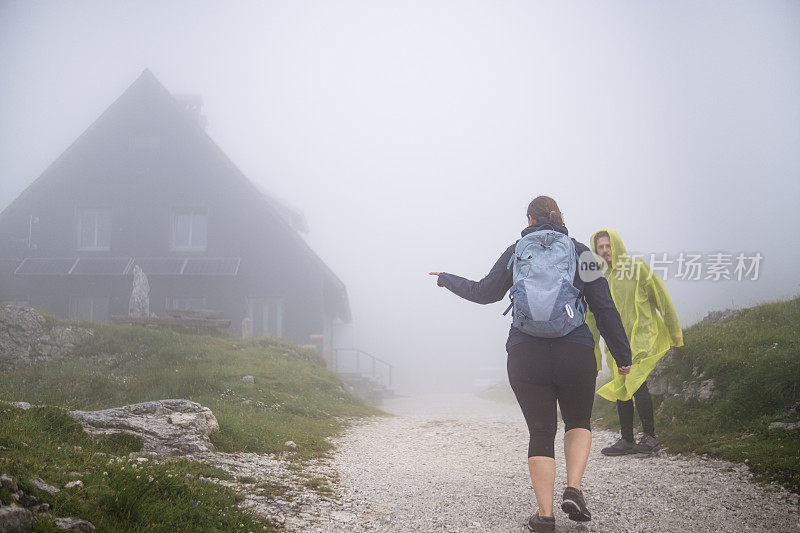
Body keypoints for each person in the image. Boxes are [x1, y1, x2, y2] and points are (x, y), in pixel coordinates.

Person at [430, 196, 632, 532]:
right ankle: (574, 489)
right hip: (575, 351)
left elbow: (485, 292)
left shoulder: (517, 250)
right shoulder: (582, 251)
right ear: (560, 217)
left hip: (526, 353)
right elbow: (604, 307)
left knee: (541, 431)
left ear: (529, 218)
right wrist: (622, 355)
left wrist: (447, 278)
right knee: (578, 420)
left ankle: (545, 516)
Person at [586, 230, 684, 456]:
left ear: (616, 245)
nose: (604, 251)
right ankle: (627, 439)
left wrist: (675, 332)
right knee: (622, 387)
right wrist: (593, 350)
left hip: (641, 338)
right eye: (600, 247)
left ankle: (650, 437)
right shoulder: (599, 278)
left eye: (608, 246)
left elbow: (662, 299)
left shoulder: (638, 269)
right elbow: (592, 314)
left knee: (637, 382)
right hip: (616, 344)